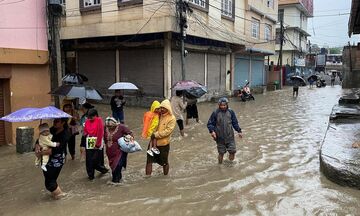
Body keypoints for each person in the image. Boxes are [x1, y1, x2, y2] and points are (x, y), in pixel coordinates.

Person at [35, 118, 70, 199]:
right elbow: (41, 139)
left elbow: (54, 150)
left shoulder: (65, 134)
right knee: (50, 180)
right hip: (46, 158)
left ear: (63, 123)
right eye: (54, 121)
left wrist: (40, 153)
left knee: (50, 183)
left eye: (57, 121)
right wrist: (37, 144)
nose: (54, 123)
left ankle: (62, 197)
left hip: (57, 159)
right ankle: (57, 196)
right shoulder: (51, 130)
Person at [207, 97, 243, 164]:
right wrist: (212, 131)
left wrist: (239, 131)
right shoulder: (215, 113)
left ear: (227, 105)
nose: (223, 106)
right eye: (221, 105)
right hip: (219, 137)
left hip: (230, 136)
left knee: (232, 151)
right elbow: (210, 123)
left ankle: (230, 164)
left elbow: (235, 122)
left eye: (224, 105)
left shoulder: (231, 112)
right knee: (221, 153)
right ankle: (219, 166)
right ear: (219, 105)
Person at [145, 99, 176, 176]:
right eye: (161, 107)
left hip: (163, 144)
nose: (161, 109)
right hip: (152, 142)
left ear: (168, 108)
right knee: (149, 161)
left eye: (163, 108)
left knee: (164, 162)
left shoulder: (172, 118)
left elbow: (168, 131)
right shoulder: (158, 115)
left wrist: (156, 135)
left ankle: (165, 177)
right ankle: (147, 177)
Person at [104, 117, 132, 184]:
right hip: (110, 152)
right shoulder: (105, 128)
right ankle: (117, 180)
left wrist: (128, 140)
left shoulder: (121, 127)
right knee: (113, 167)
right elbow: (104, 139)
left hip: (119, 151)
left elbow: (130, 134)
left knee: (118, 166)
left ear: (115, 125)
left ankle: (115, 182)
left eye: (111, 126)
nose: (109, 128)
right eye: (108, 126)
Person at [83, 108, 108, 180]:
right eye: (88, 117)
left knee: (97, 159)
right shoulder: (87, 121)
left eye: (91, 117)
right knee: (89, 159)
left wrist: (97, 144)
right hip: (90, 140)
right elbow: (85, 131)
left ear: (95, 115)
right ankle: (91, 175)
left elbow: (100, 133)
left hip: (98, 140)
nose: (90, 118)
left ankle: (102, 169)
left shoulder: (99, 120)